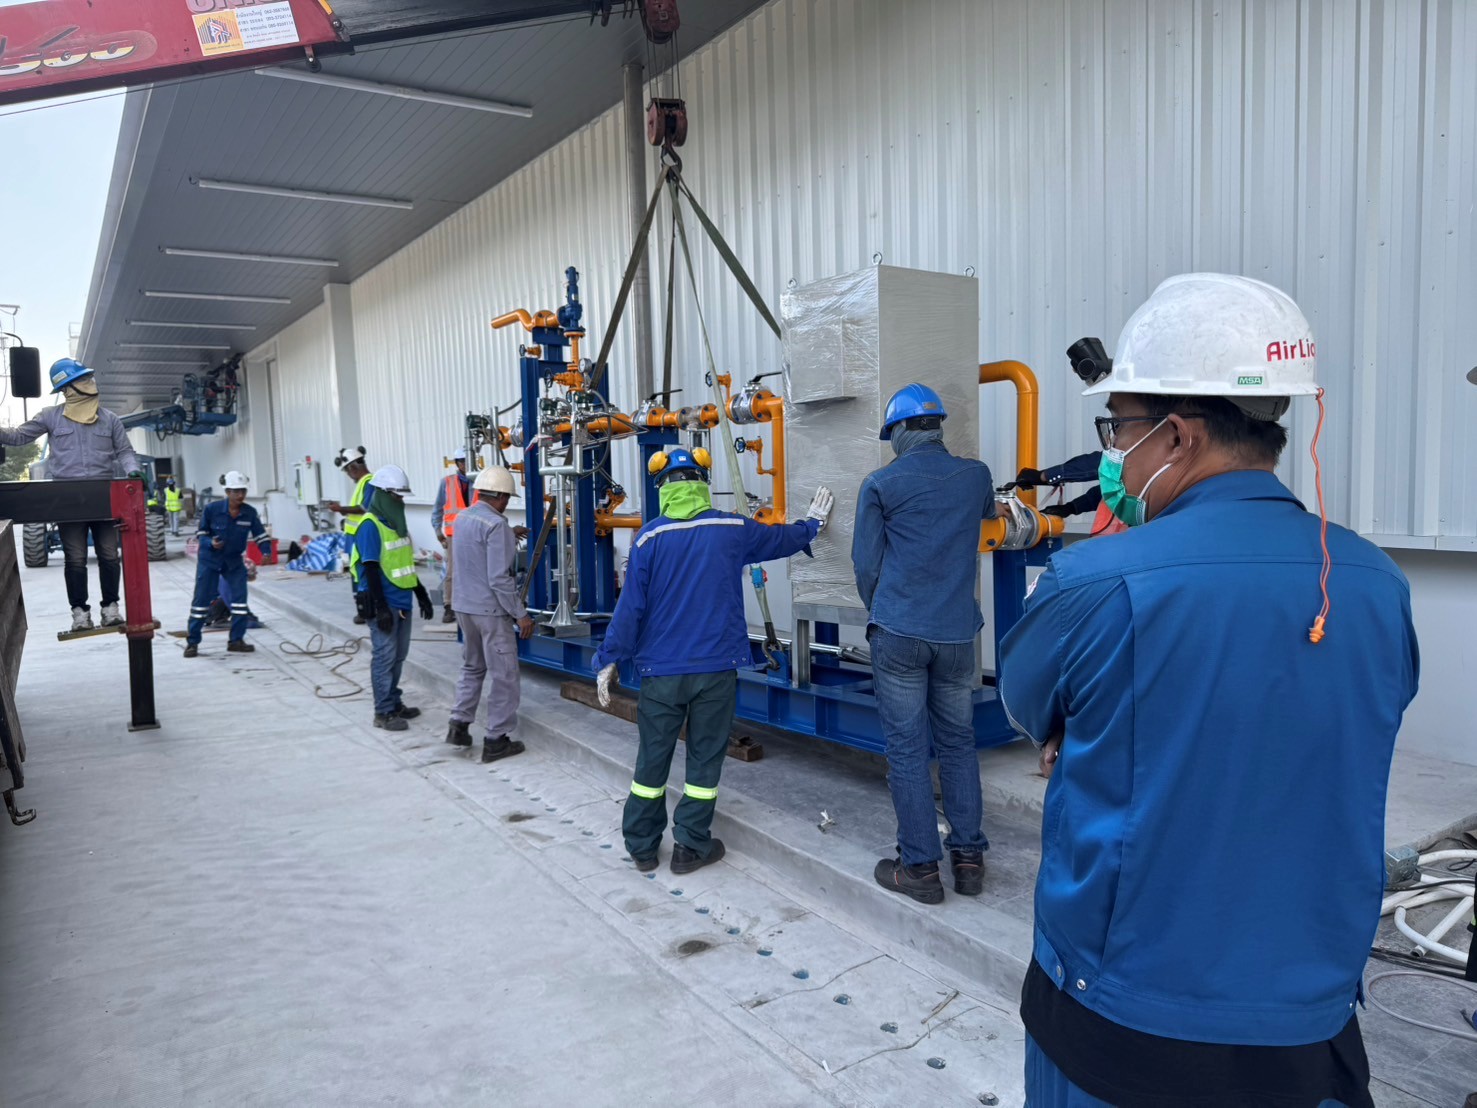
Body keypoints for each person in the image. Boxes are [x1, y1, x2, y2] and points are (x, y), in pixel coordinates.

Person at [998, 273, 1419, 1107]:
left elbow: (1026, 707)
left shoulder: (1093, 582)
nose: (1112, 454)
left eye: (1117, 429)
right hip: (1307, 1022)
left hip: (1120, 1017)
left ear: (1176, 436)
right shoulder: (1375, 581)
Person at [593, 447, 834, 875]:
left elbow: (630, 608)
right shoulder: (730, 528)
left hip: (661, 673)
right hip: (715, 670)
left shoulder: (647, 539)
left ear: (662, 488)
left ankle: (643, 848)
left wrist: (608, 658)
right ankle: (690, 847)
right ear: (702, 482)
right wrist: (812, 524)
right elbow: (782, 539)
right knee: (705, 760)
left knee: (652, 760)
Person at [851, 383, 996, 905]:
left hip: (900, 633)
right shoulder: (976, 476)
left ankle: (920, 869)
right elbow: (985, 521)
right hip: (957, 634)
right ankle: (969, 860)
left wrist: (883, 608)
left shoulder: (880, 484)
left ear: (899, 431)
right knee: (958, 744)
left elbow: (865, 565)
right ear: (936, 426)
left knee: (908, 752)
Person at [0, 358, 140, 632]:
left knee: (109, 555)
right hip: (67, 501)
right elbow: (18, 437)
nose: (90, 383)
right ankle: (80, 614)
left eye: (89, 378)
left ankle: (111, 608)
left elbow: (125, 451)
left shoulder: (109, 419)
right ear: (67, 389)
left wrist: (133, 470)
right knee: (75, 558)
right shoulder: (50, 416)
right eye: (83, 380)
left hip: (103, 498)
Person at [446, 467, 534, 763]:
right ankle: (497, 740)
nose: (506, 503)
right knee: (504, 675)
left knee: (472, 667)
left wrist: (509, 534)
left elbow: (475, 548)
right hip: (490, 612)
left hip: (464, 607)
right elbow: (499, 579)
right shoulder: (496, 525)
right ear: (500, 496)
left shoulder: (463, 518)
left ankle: (458, 725)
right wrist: (520, 614)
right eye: (506, 498)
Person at [352, 463, 435, 731]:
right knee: (384, 657)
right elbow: (371, 568)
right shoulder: (370, 526)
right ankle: (383, 711)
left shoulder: (397, 525)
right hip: (383, 603)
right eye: (397, 496)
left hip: (401, 600)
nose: (400, 502)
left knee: (398, 656)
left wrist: (420, 593)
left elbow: (404, 564)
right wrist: (381, 608)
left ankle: (394, 701)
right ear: (383, 495)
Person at [184, 471, 271, 657]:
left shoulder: (249, 512)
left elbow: (260, 534)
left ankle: (236, 641)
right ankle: (192, 643)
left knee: (239, 601)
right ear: (227, 492)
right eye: (236, 491)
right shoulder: (212, 510)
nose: (240, 495)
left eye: (243, 491)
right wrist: (211, 543)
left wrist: (266, 551)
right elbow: (201, 534)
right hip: (210, 560)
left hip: (233, 561)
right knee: (201, 602)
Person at [1007, 453, 1125, 537]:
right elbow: (1114, 491)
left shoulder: (1131, 452)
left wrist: (1044, 476)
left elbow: (1107, 464)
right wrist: (1071, 507)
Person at [327, 446, 375, 624]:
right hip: (354, 536)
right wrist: (343, 511)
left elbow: (364, 508)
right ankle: (362, 608)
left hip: (360, 536)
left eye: (347, 471)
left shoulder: (369, 482)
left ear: (353, 468)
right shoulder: (363, 484)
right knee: (356, 571)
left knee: (361, 572)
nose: (349, 476)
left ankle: (366, 609)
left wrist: (341, 509)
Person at [432, 447, 476, 624]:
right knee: (452, 572)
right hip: (454, 535)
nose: (465, 464)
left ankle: (472, 604)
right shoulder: (447, 482)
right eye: (462, 461)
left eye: (468, 461)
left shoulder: (480, 480)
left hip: (474, 534)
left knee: (475, 570)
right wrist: (438, 532)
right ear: (457, 463)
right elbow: (437, 510)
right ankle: (449, 606)